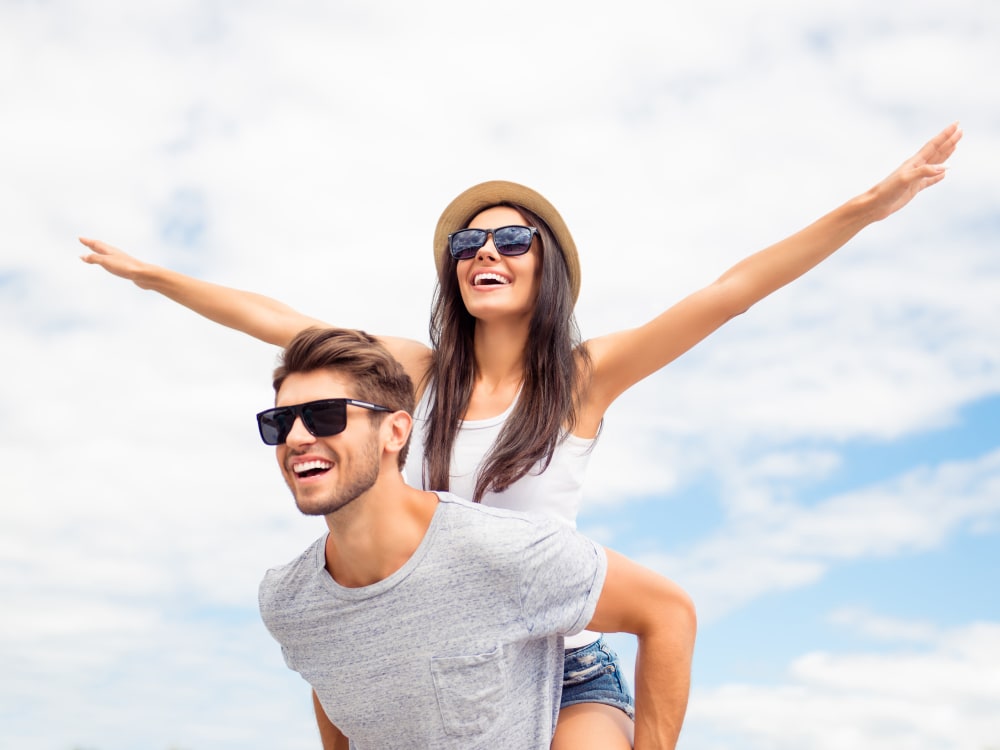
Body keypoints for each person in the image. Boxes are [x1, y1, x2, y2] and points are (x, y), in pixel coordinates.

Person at [80, 122, 962, 748]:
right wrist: (157, 277)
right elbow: (278, 320)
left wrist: (869, 205)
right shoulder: (414, 374)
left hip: (562, 664)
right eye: (468, 240)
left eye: (511, 237)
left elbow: (730, 292)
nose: (484, 251)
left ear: (547, 266)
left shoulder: (582, 378)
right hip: (441, 666)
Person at [255, 326, 696, 750]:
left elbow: (667, 612)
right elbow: (332, 683)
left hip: (567, 687)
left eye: (325, 416)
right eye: (280, 422)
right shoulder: (290, 602)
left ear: (395, 431)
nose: (296, 437)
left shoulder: (500, 551)